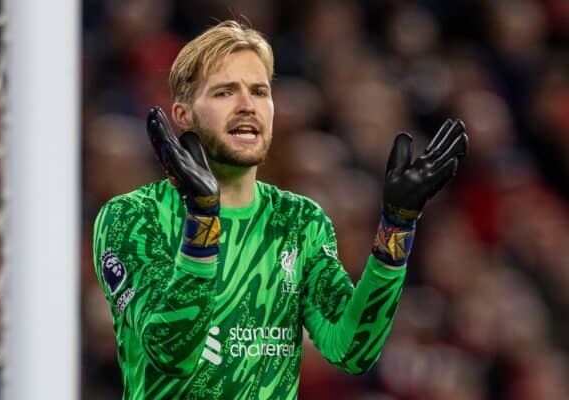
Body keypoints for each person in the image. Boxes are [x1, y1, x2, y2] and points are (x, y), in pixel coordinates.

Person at [92, 20, 468, 400]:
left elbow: (354, 351)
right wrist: (203, 220)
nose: (247, 106)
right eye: (225, 92)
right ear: (183, 115)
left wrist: (396, 228)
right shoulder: (132, 218)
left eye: (259, 91)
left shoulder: (299, 221)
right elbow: (169, 351)